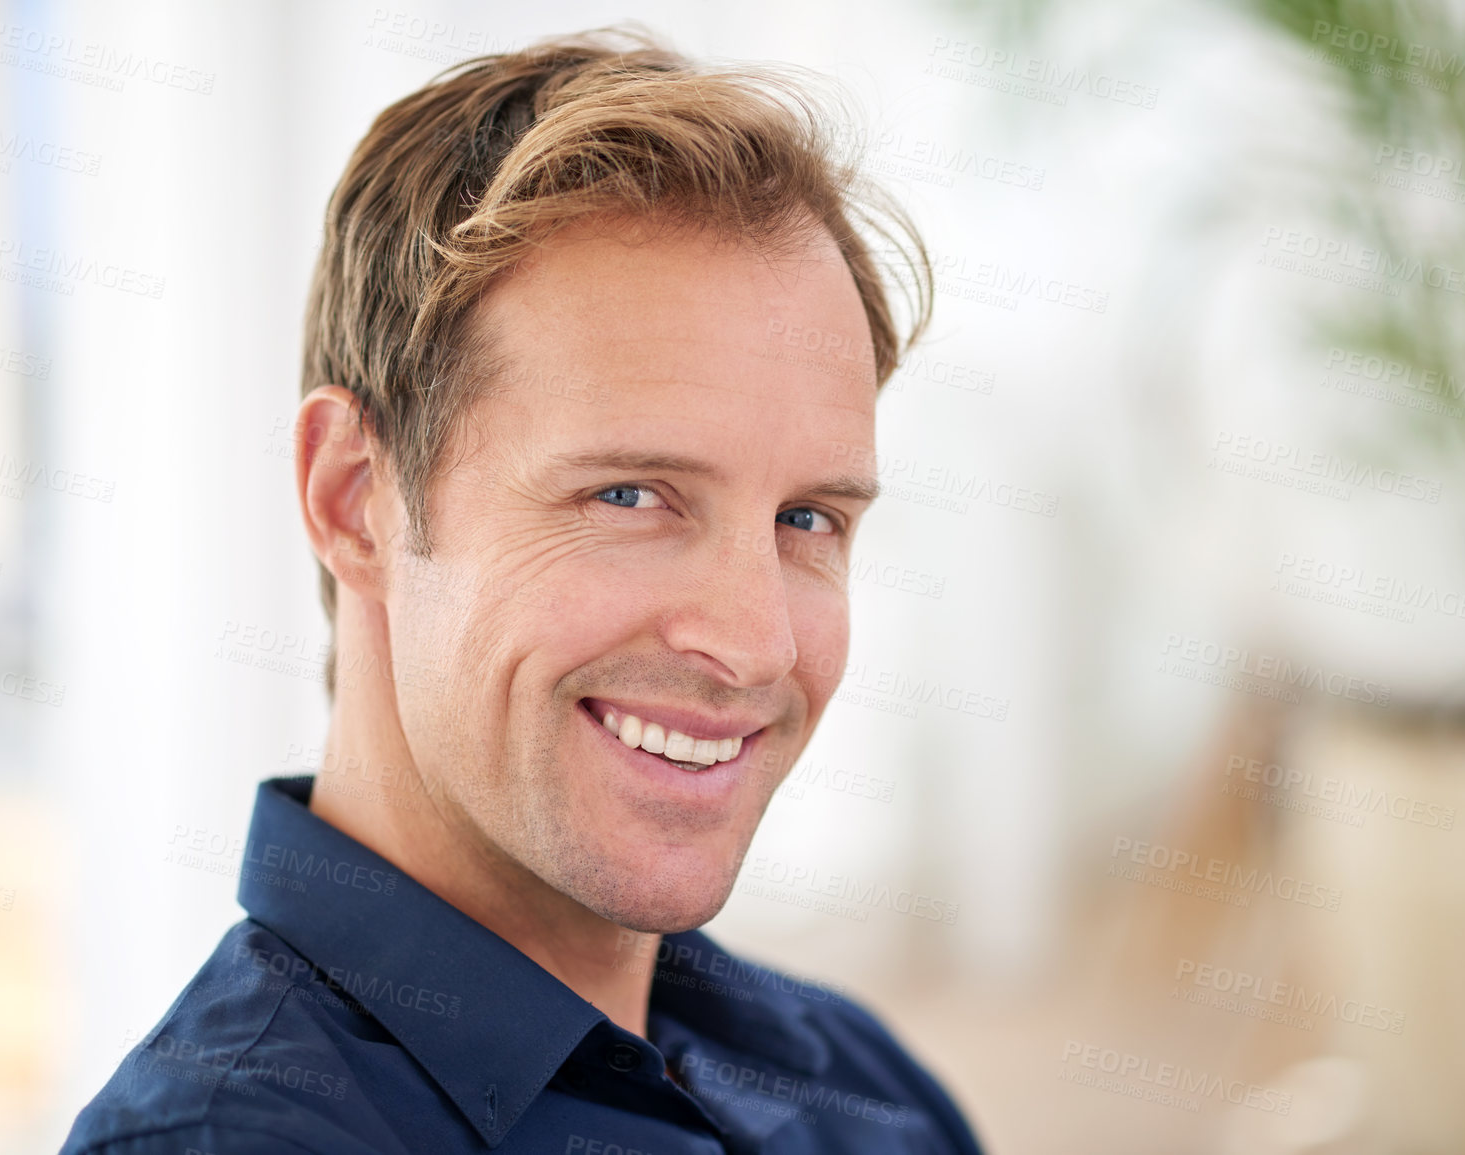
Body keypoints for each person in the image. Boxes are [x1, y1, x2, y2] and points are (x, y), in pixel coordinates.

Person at [61, 26, 982, 1155]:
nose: (756, 645)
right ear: (357, 499)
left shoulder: (860, 1085)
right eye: (632, 496)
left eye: (807, 520)